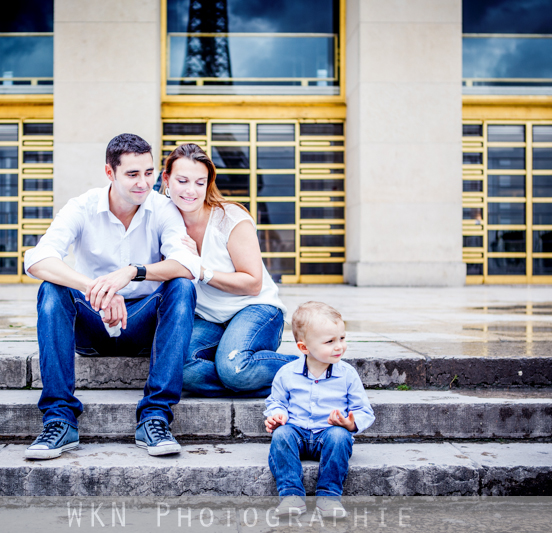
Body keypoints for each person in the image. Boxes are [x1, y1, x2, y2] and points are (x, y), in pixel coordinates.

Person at [23, 133, 200, 459]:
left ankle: (155, 416)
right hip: (92, 323)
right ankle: (59, 420)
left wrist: (132, 272)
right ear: (110, 173)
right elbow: (36, 259)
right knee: (51, 288)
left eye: (148, 172)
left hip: (144, 322)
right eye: (132, 174)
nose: (143, 183)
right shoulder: (83, 207)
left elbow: (188, 265)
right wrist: (96, 289)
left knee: (182, 287)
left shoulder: (161, 207)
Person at [160, 143, 297, 397]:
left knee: (234, 368)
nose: (191, 190)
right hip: (210, 319)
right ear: (167, 179)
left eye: (200, 183)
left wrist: (201, 270)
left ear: (208, 184)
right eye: (182, 180)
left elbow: (253, 282)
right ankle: (247, 383)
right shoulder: (162, 220)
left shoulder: (230, 218)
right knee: (181, 366)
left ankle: (309, 369)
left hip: (255, 309)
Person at [264, 301, 375, 519]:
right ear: (304, 348)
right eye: (330, 341)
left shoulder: (347, 374)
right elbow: (275, 402)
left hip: (328, 433)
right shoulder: (286, 374)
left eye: (342, 338)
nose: (339, 346)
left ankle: (329, 497)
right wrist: (277, 416)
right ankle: (291, 496)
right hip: (296, 431)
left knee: (340, 436)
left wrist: (350, 423)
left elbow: (364, 410)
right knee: (281, 435)